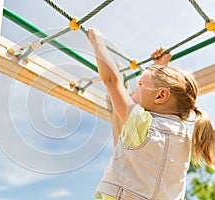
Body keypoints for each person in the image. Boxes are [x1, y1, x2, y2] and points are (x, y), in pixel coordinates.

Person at [87, 28, 215, 200]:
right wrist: (159, 69)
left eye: (140, 84)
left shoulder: (142, 122)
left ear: (161, 95)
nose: (132, 90)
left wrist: (97, 41)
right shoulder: (185, 135)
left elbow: (112, 80)